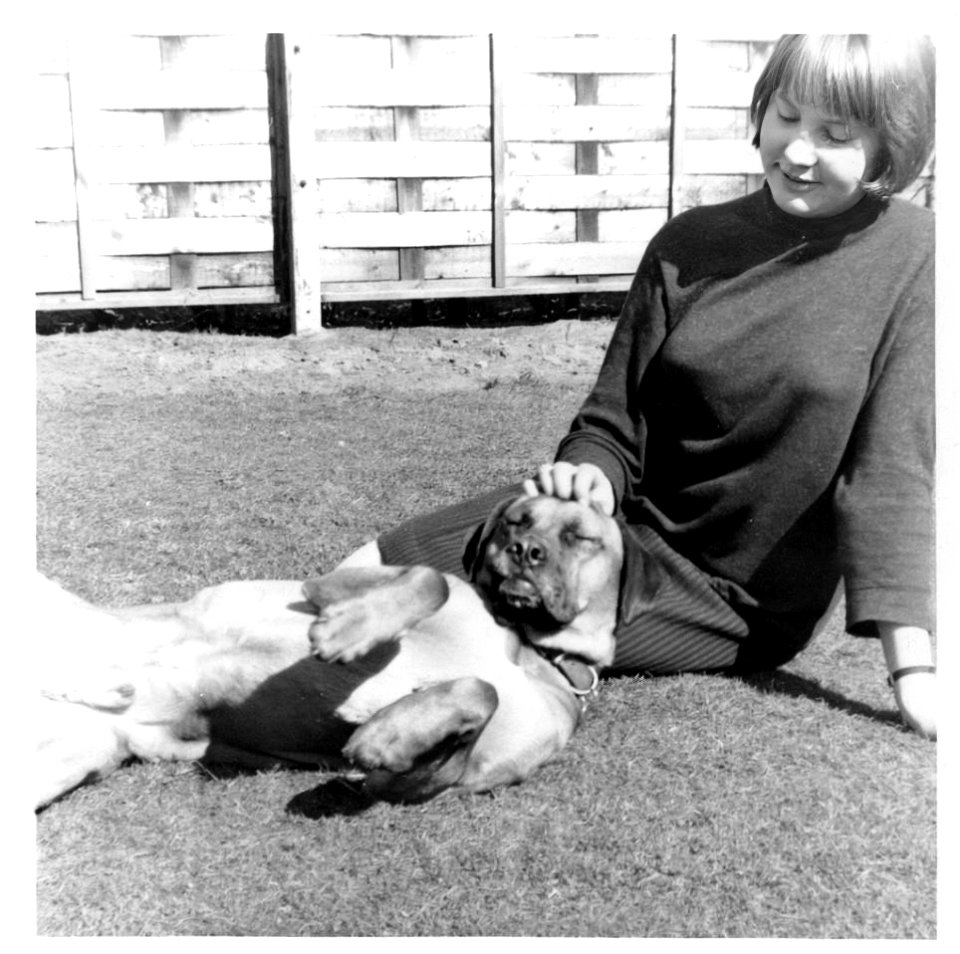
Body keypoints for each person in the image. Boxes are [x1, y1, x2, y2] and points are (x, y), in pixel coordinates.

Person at [345, 35, 937, 739]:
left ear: (892, 143)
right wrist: (590, 474)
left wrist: (917, 677)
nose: (798, 152)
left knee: (470, 620)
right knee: (373, 568)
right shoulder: (687, 243)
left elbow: (890, 478)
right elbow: (613, 417)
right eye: (786, 116)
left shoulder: (922, 257)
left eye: (835, 134)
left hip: (732, 599)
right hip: (609, 532)